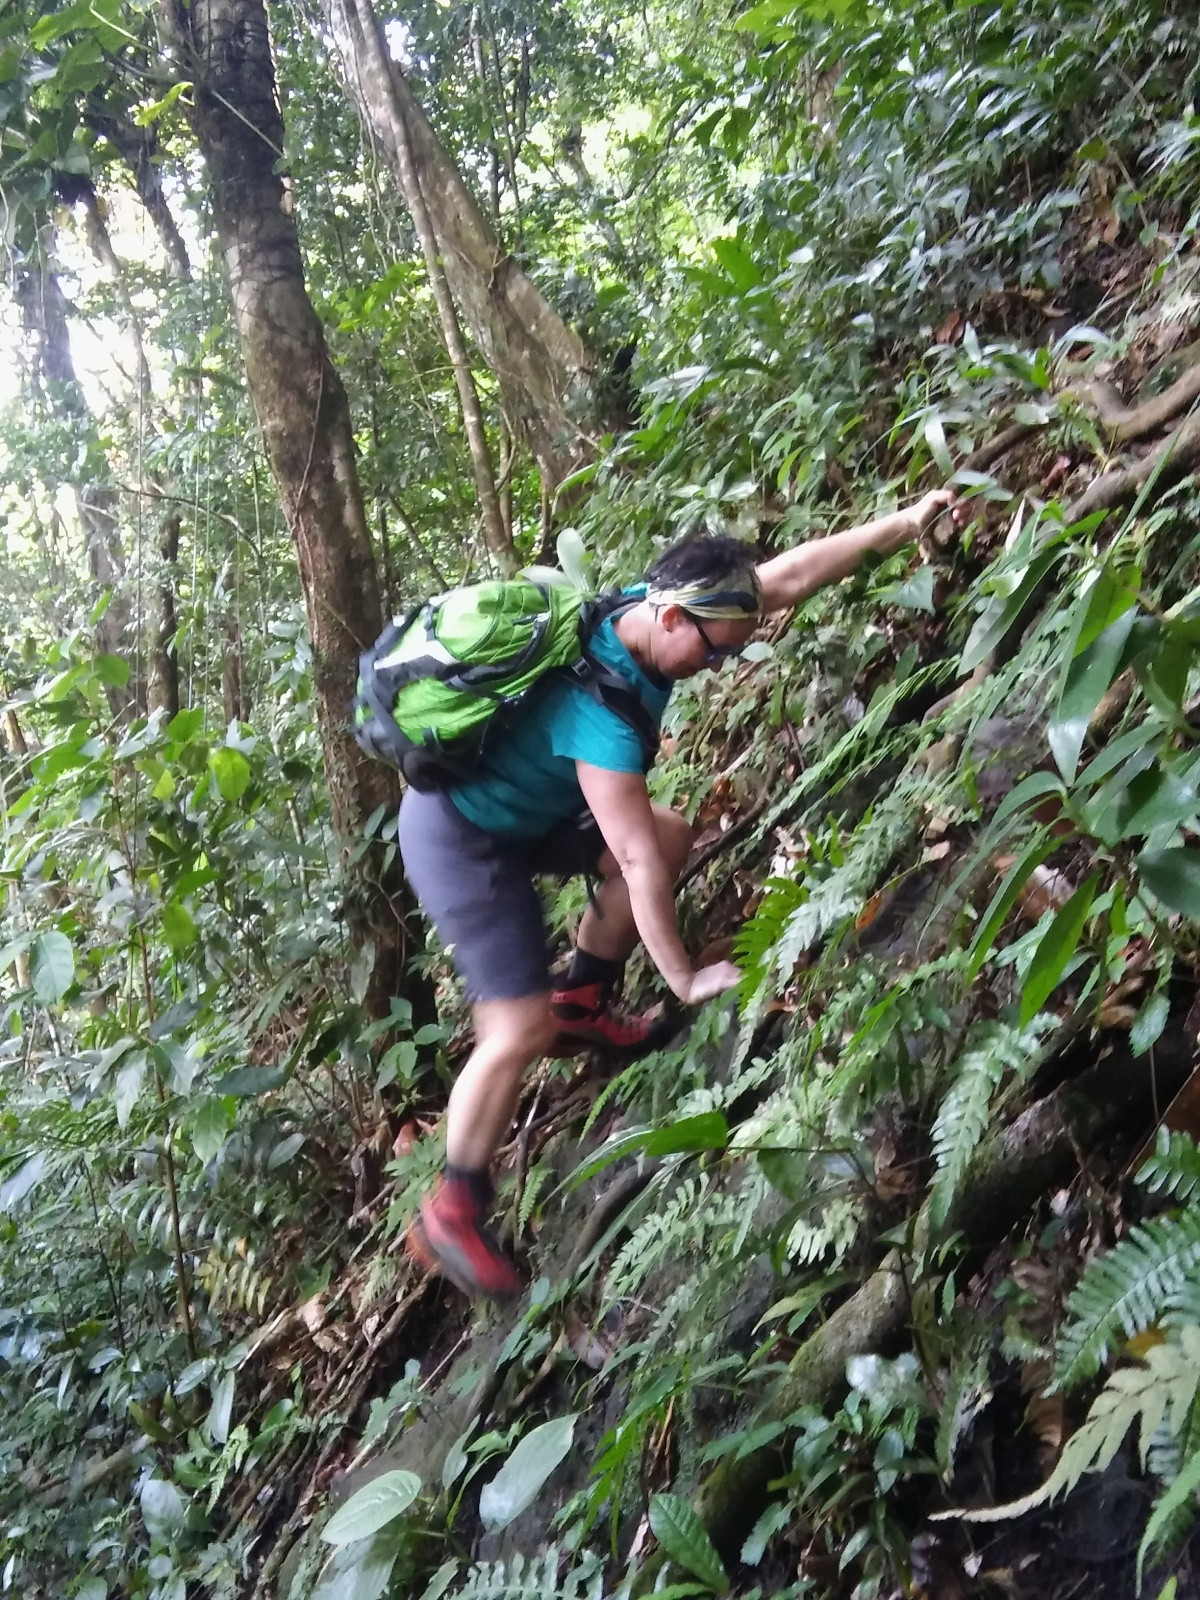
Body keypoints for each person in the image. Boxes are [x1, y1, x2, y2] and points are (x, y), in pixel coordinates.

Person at [401, 488, 956, 1296]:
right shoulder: (604, 714)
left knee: (671, 832)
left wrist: (905, 523)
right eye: (717, 653)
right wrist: (686, 978)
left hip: (534, 802)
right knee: (516, 1026)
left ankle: (583, 1002)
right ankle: (452, 1207)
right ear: (671, 620)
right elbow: (631, 860)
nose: (722, 666)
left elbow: (793, 575)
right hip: (459, 831)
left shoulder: (647, 611)